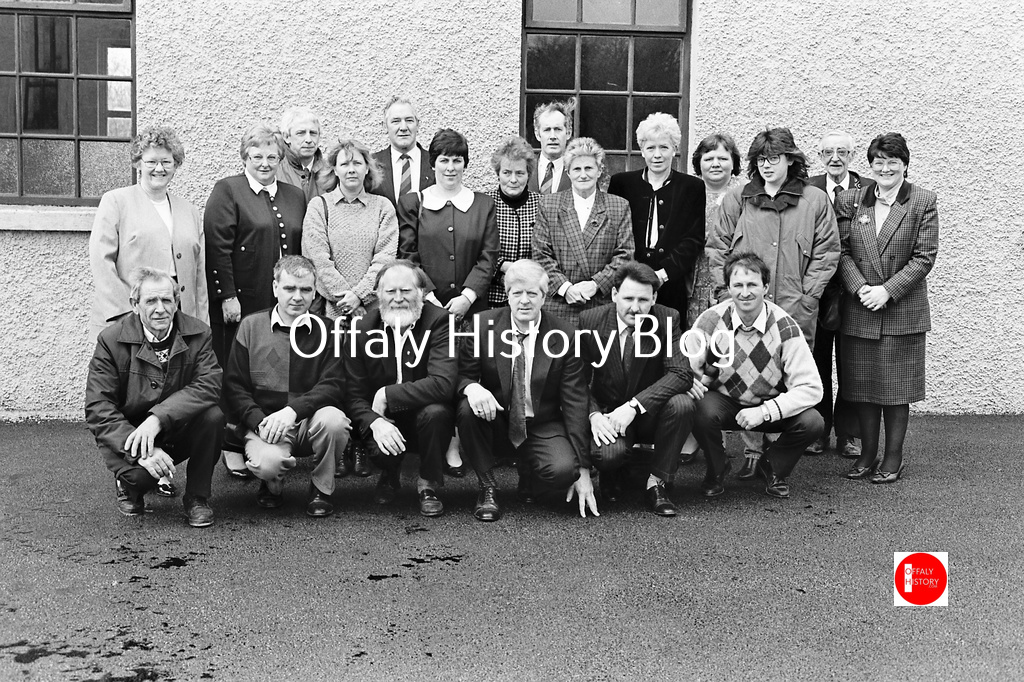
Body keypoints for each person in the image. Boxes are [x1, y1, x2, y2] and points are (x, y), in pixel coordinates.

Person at [706, 127, 838, 478]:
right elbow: (718, 248)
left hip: (794, 306)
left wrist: (808, 296)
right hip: (744, 307)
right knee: (746, 374)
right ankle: (752, 453)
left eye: (774, 158)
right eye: (761, 159)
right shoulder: (739, 198)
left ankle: (775, 461)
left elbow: (827, 252)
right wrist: (727, 294)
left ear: (790, 160)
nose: (766, 165)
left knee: (784, 378)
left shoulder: (814, 200)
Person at [89, 125, 207, 498]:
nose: (159, 168)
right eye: (152, 161)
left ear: (176, 165)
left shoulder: (189, 210)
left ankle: (163, 465)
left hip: (177, 319)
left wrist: (199, 320)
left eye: (167, 162)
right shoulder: (116, 201)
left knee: (174, 393)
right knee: (135, 397)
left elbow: (198, 271)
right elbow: (101, 260)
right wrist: (120, 317)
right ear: (138, 162)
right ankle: (132, 466)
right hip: (135, 319)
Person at [457, 259, 595, 521]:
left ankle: (530, 471)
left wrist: (584, 468)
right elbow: (461, 376)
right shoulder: (482, 325)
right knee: (467, 408)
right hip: (497, 418)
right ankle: (487, 487)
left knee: (564, 472)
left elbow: (576, 400)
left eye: (532, 293)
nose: (524, 301)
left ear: (544, 296)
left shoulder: (565, 334)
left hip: (542, 422)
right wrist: (472, 387)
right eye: (517, 293)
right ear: (507, 295)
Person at [836, 133, 938, 484]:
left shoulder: (922, 200)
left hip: (901, 309)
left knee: (896, 390)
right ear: (870, 165)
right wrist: (860, 288)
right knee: (861, 387)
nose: (885, 168)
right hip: (860, 305)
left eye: (893, 162)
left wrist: (887, 291)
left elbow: (924, 257)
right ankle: (867, 453)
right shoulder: (851, 199)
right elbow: (841, 251)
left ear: (905, 164)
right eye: (878, 162)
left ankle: (893, 455)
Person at [85, 267, 222, 527]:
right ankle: (128, 486)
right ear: (135, 305)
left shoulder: (199, 333)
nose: (160, 309)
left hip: (174, 425)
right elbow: (98, 408)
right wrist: (141, 450)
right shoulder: (110, 341)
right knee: (140, 478)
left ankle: (197, 498)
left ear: (176, 302)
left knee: (213, 416)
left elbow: (209, 384)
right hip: (130, 433)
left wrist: (158, 419)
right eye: (151, 301)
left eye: (166, 300)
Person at [686, 253, 824, 499]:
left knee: (812, 422)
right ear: (728, 288)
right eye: (738, 285)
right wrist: (702, 381)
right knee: (695, 407)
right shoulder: (710, 320)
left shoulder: (785, 326)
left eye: (752, 285)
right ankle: (717, 468)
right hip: (725, 402)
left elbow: (812, 388)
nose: (745, 292)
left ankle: (773, 466)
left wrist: (764, 411)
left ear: (766, 287)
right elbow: (690, 373)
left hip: (769, 402)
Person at [223, 256, 349, 517]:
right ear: (275, 288)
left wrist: (293, 411)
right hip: (265, 423)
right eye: (290, 288)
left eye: (305, 289)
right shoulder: (250, 326)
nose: (297, 297)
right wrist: (258, 421)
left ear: (314, 292)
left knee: (335, 421)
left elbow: (334, 385)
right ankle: (272, 483)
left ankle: (321, 489)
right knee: (268, 464)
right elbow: (235, 386)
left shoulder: (329, 330)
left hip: (308, 421)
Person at [578, 262, 695, 516]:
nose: (635, 307)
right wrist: (594, 414)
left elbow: (681, 373)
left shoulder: (667, 318)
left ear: (654, 298)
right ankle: (613, 470)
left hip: (649, 412)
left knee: (682, 404)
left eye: (643, 300)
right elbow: (577, 380)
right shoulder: (591, 320)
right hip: (610, 414)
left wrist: (634, 406)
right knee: (607, 455)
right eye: (628, 298)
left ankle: (657, 483)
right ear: (614, 294)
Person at [345, 261, 456, 517]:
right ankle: (389, 473)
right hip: (383, 417)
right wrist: (375, 422)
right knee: (378, 445)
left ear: (421, 293)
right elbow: (353, 395)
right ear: (378, 295)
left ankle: (428, 484)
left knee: (437, 413)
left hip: (423, 413)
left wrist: (387, 394)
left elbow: (443, 383)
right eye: (390, 291)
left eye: (406, 291)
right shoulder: (361, 329)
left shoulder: (441, 321)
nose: (398, 298)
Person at [204, 123, 307, 367]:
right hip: (242, 300)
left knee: (278, 364)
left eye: (272, 157)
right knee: (239, 364)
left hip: (284, 299)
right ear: (245, 157)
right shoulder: (228, 190)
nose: (265, 164)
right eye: (257, 157)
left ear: (280, 159)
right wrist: (227, 296)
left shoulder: (295, 195)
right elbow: (217, 249)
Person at [805, 130, 872, 459]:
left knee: (851, 364)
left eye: (842, 152)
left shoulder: (869, 189)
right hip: (816, 290)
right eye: (828, 152)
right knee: (816, 362)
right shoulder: (808, 188)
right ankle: (818, 430)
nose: (835, 158)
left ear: (852, 155)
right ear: (820, 156)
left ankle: (848, 433)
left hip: (854, 290)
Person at [608, 112, 705, 317]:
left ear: (674, 149)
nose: (657, 155)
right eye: (651, 148)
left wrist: (664, 274)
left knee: (667, 331)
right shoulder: (621, 184)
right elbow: (613, 232)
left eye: (664, 147)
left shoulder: (692, 187)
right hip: (628, 281)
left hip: (670, 283)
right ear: (642, 150)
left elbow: (693, 239)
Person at [397, 128, 499, 322]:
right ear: (433, 164)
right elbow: (408, 256)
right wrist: (429, 299)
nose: (450, 168)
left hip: (473, 310)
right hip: (425, 310)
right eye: (444, 160)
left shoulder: (483, 205)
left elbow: (489, 256)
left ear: (465, 164)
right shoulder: (412, 203)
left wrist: (467, 297)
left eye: (457, 160)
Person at [531, 137, 635, 326]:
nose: (583, 175)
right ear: (568, 172)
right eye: (577, 169)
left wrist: (596, 284)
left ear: (599, 171)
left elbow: (625, 255)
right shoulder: (549, 204)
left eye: (589, 168)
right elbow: (540, 254)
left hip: (600, 303)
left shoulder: (619, 206)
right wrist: (565, 288)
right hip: (559, 303)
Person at [302, 137, 398, 322]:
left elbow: (385, 258)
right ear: (335, 170)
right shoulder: (319, 206)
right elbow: (318, 260)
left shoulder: (383, 207)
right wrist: (348, 301)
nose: (351, 169)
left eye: (357, 163)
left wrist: (360, 296)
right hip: (330, 313)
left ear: (367, 168)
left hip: (374, 313)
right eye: (345, 164)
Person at [688, 132, 746, 327]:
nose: (715, 164)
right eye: (708, 159)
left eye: (722, 158)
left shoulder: (745, 194)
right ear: (699, 163)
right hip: (694, 275)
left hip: (730, 271)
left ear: (733, 162)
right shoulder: (687, 191)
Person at [485, 136, 540, 307]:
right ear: (498, 174)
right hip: (492, 298)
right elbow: (475, 251)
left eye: (520, 173)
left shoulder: (542, 205)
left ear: (528, 174)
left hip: (530, 298)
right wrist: (502, 266)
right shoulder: (485, 204)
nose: (513, 179)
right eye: (507, 173)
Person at [370, 96, 435, 207]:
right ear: (385, 126)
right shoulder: (371, 164)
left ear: (418, 124)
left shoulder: (435, 163)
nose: (403, 127)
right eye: (396, 121)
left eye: (409, 120)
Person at [276, 106, 328, 203]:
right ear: (286, 137)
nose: (308, 140)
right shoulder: (275, 172)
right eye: (301, 133)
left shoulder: (331, 172)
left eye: (313, 133)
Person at [527, 100, 572, 195]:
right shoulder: (524, 169)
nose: (552, 136)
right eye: (547, 130)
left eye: (558, 129)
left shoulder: (579, 172)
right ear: (537, 134)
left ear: (568, 132)